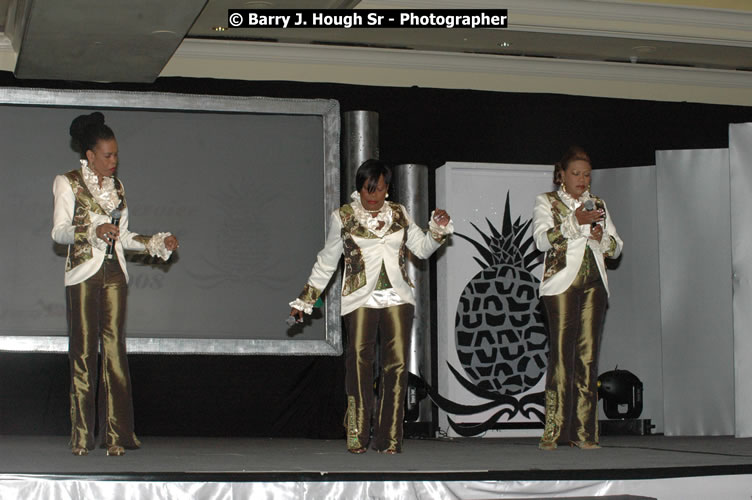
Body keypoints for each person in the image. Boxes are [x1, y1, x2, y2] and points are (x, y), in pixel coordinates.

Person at [289, 159, 452, 454]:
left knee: (398, 366)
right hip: (359, 299)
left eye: (378, 189)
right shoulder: (343, 217)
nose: (373, 196)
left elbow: (422, 248)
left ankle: (389, 438)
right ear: (359, 188)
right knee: (359, 364)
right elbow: (327, 261)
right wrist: (306, 299)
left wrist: (437, 231)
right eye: (367, 189)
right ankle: (357, 434)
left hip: (398, 298)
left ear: (387, 189)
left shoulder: (400, 213)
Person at [51, 112, 179, 457]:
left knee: (114, 353)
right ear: (89, 155)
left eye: (116, 154)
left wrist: (155, 242)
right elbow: (59, 232)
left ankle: (116, 435)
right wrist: (92, 231)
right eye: (107, 155)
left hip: (114, 274)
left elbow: (123, 237)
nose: (113, 161)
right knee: (82, 353)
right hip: (82, 274)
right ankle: (81, 436)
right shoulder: (68, 182)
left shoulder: (117, 188)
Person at [532, 146, 623, 450]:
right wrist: (576, 222)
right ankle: (555, 431)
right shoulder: (548, 202)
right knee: (561, 358)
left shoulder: (598, 204)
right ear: (561, 175)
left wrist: (602, 239)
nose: (582, 179)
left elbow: (616, 248)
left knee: (587, 357)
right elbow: (542, 240)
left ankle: (584, 432)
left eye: (587, 174)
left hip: (594, 283)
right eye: (576, 173)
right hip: (560, 286)